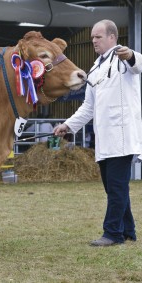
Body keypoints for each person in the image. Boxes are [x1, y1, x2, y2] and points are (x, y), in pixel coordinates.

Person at [54, 19, 142, 247]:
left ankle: (112, 233)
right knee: (114, 187)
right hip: (105, 139)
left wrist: (130, 54)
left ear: (112, 37)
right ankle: (128, 231)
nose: (93, 40)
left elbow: (138, 64)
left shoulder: (123, 60)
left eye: (98, 36)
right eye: (92, 37)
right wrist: (69, 125)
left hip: (122, 137)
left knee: (116, 188)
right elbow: (88, 107)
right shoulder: (95, 67)